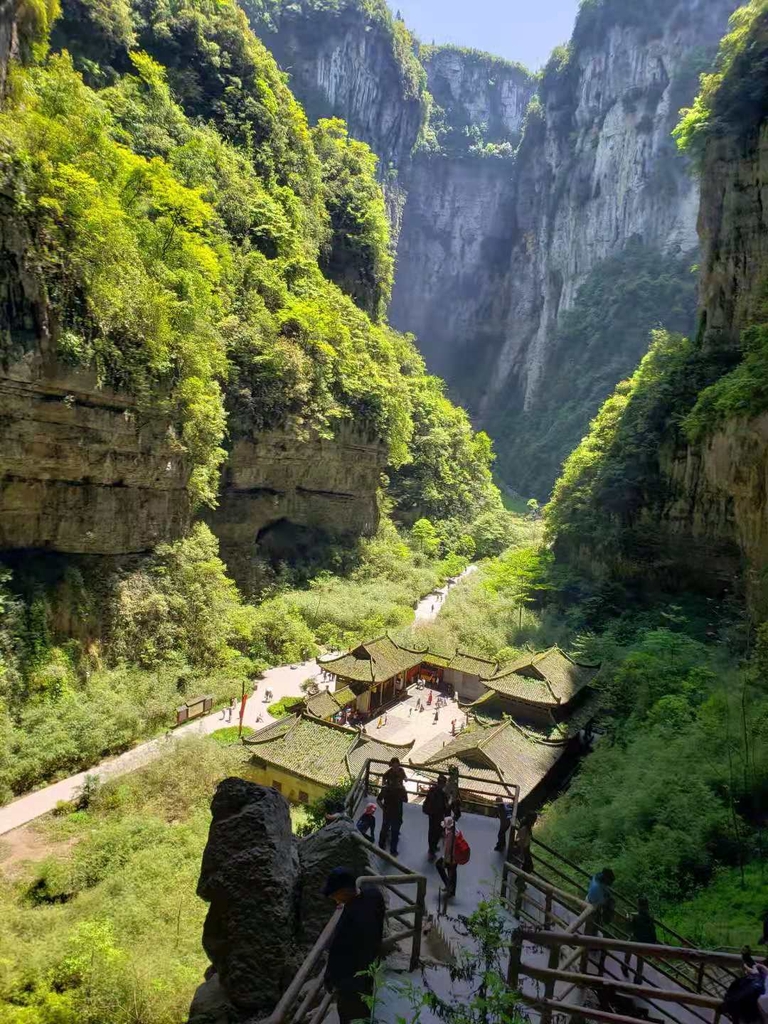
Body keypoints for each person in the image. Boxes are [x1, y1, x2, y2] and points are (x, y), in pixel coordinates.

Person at [322, 868, 385, 1024]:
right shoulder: (372, 894)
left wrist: (332, 977)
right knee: (363, 1012)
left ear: (344, 892)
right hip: (367, 973)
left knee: (350, 1015)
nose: (332, 898)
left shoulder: (355, 918)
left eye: (333, 894)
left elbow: (341, 951)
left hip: (351, 982)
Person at [622, 897, 657, 982]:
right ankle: (638, 976)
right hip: (645, 940)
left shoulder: (636, 917)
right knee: (640, 959)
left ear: (639, 905)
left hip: (636, 938)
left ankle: (625, 966)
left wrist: (628, 920)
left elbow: (629, 929)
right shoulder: (649, 917)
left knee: (628, 949)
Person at [423, 774, 449, 860]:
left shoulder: (432, 790)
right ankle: (432, 850)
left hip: (432, 814)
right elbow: (446, 807)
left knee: (432, 832)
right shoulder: (443, 794)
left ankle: (432, 848)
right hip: (439, 816)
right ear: (444, 784)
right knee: (437, 833)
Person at [377, 778, 407, 855]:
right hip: (397, 813)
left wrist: (383, 808)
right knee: (394, 832)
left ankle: (381, 846)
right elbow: (405, 800)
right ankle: (393, 850)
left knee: (385, 829)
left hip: (388, 813)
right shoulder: (400, 790)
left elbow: (378, 800)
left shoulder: (386, 788)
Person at [435, 813, 458, 898]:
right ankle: (452, 890)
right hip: (456, 856)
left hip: (451, 857)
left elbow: (447, 849)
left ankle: (448, 886)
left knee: (439, 865)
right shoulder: (456, 831)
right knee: (452, 872)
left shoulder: (450, 835)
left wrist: (444, 861)